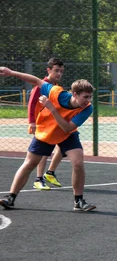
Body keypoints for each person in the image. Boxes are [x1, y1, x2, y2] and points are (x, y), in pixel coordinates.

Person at [0, 66, 96, 212]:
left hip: (67, 134)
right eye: (85, 97)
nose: (88, 100)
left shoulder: (87, 108)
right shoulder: (56, 93)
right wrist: (11, 72)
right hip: (47, 131)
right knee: (30, 164)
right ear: (75, 94)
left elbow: (67, 128)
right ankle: (10, 197)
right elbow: (36, 81)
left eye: (90, 97)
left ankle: (78, 201)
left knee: (78, 162)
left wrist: (52, 109)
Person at [28, 58, 65, 190]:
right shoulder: (42, 84)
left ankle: (50, 173)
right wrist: (31, 122)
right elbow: (32, 103)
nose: (59, 74)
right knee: (43, 151)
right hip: (41, 123)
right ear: (48, 70)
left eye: (61, 71)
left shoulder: (57, 87)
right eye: (56, 71)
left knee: (64, 144)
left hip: (53, 122)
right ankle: (38, 179)